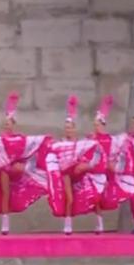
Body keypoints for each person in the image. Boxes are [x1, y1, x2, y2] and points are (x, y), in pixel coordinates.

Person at [0, 92, 50, 235]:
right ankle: (5, 221)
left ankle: (29, 170)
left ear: (13, 124)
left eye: (9, 122)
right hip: (2, 170)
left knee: (13, 171)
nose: (6, 125)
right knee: (4, 188)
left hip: (16, 171)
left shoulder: (19, 138)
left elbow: (31, 146)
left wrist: (43, 140)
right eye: (5, 122)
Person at [44, 96, 106, 235]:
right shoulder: (60, 144)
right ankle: (68, 225)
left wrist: (86, 165)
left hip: (80, 172)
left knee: (94, 197)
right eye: (66, 128)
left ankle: (99, 224)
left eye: (70, 128)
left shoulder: (82, 142)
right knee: (69, 198)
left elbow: (95, 152)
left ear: (74, 129)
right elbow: (51, 154)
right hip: (66, 173)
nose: (68, 130)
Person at [89, 96, 134, 235]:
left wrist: (114, 164)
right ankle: (99, 224)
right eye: (94, 124)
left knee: (107, 196)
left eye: (97, 124)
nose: (95, 127)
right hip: (97, 171)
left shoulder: (111, 139)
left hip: (107, 171)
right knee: (96, 197)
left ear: (102, 124)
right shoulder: (92, 139)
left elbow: (120, 148)